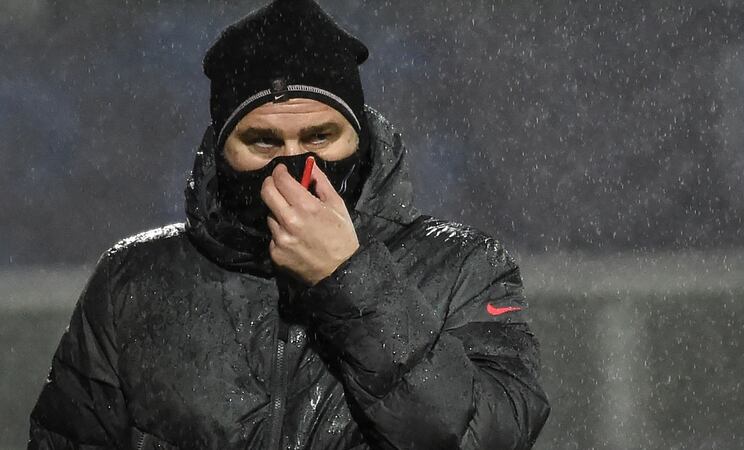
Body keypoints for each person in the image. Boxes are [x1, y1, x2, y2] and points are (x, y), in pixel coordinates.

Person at [28, 0, 550, 448]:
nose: (296, 168)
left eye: (320, 138)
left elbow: (486, 436)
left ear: (361, 140)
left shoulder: (465, 268)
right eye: (263, 143)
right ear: (221, 149)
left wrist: (349, 278)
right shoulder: (132, 283)